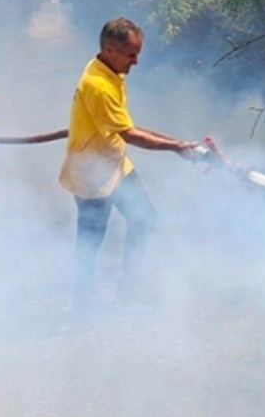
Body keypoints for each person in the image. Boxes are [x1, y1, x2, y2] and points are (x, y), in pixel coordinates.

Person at [59, 17, 200, 315]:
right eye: (131, 54)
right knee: (90, 241)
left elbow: (126, 125)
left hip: (114, 163)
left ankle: (128, 292)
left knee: (144, 218)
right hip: (91, 175)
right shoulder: (97, 85)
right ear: (110, 49)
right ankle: (82, 307)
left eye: (137, 53)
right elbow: (130, 134)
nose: (135, 62)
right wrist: (175, 147)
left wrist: (178, 143)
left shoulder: (109, 71)